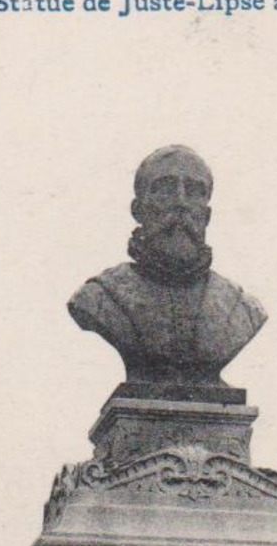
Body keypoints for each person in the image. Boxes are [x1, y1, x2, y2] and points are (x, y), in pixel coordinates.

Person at [68, 146, 266, 393]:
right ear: (138, 210)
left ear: (206, 215)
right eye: (165, 189)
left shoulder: (241, 308)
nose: (181, 202)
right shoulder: (101, 297)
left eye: (194, 191)